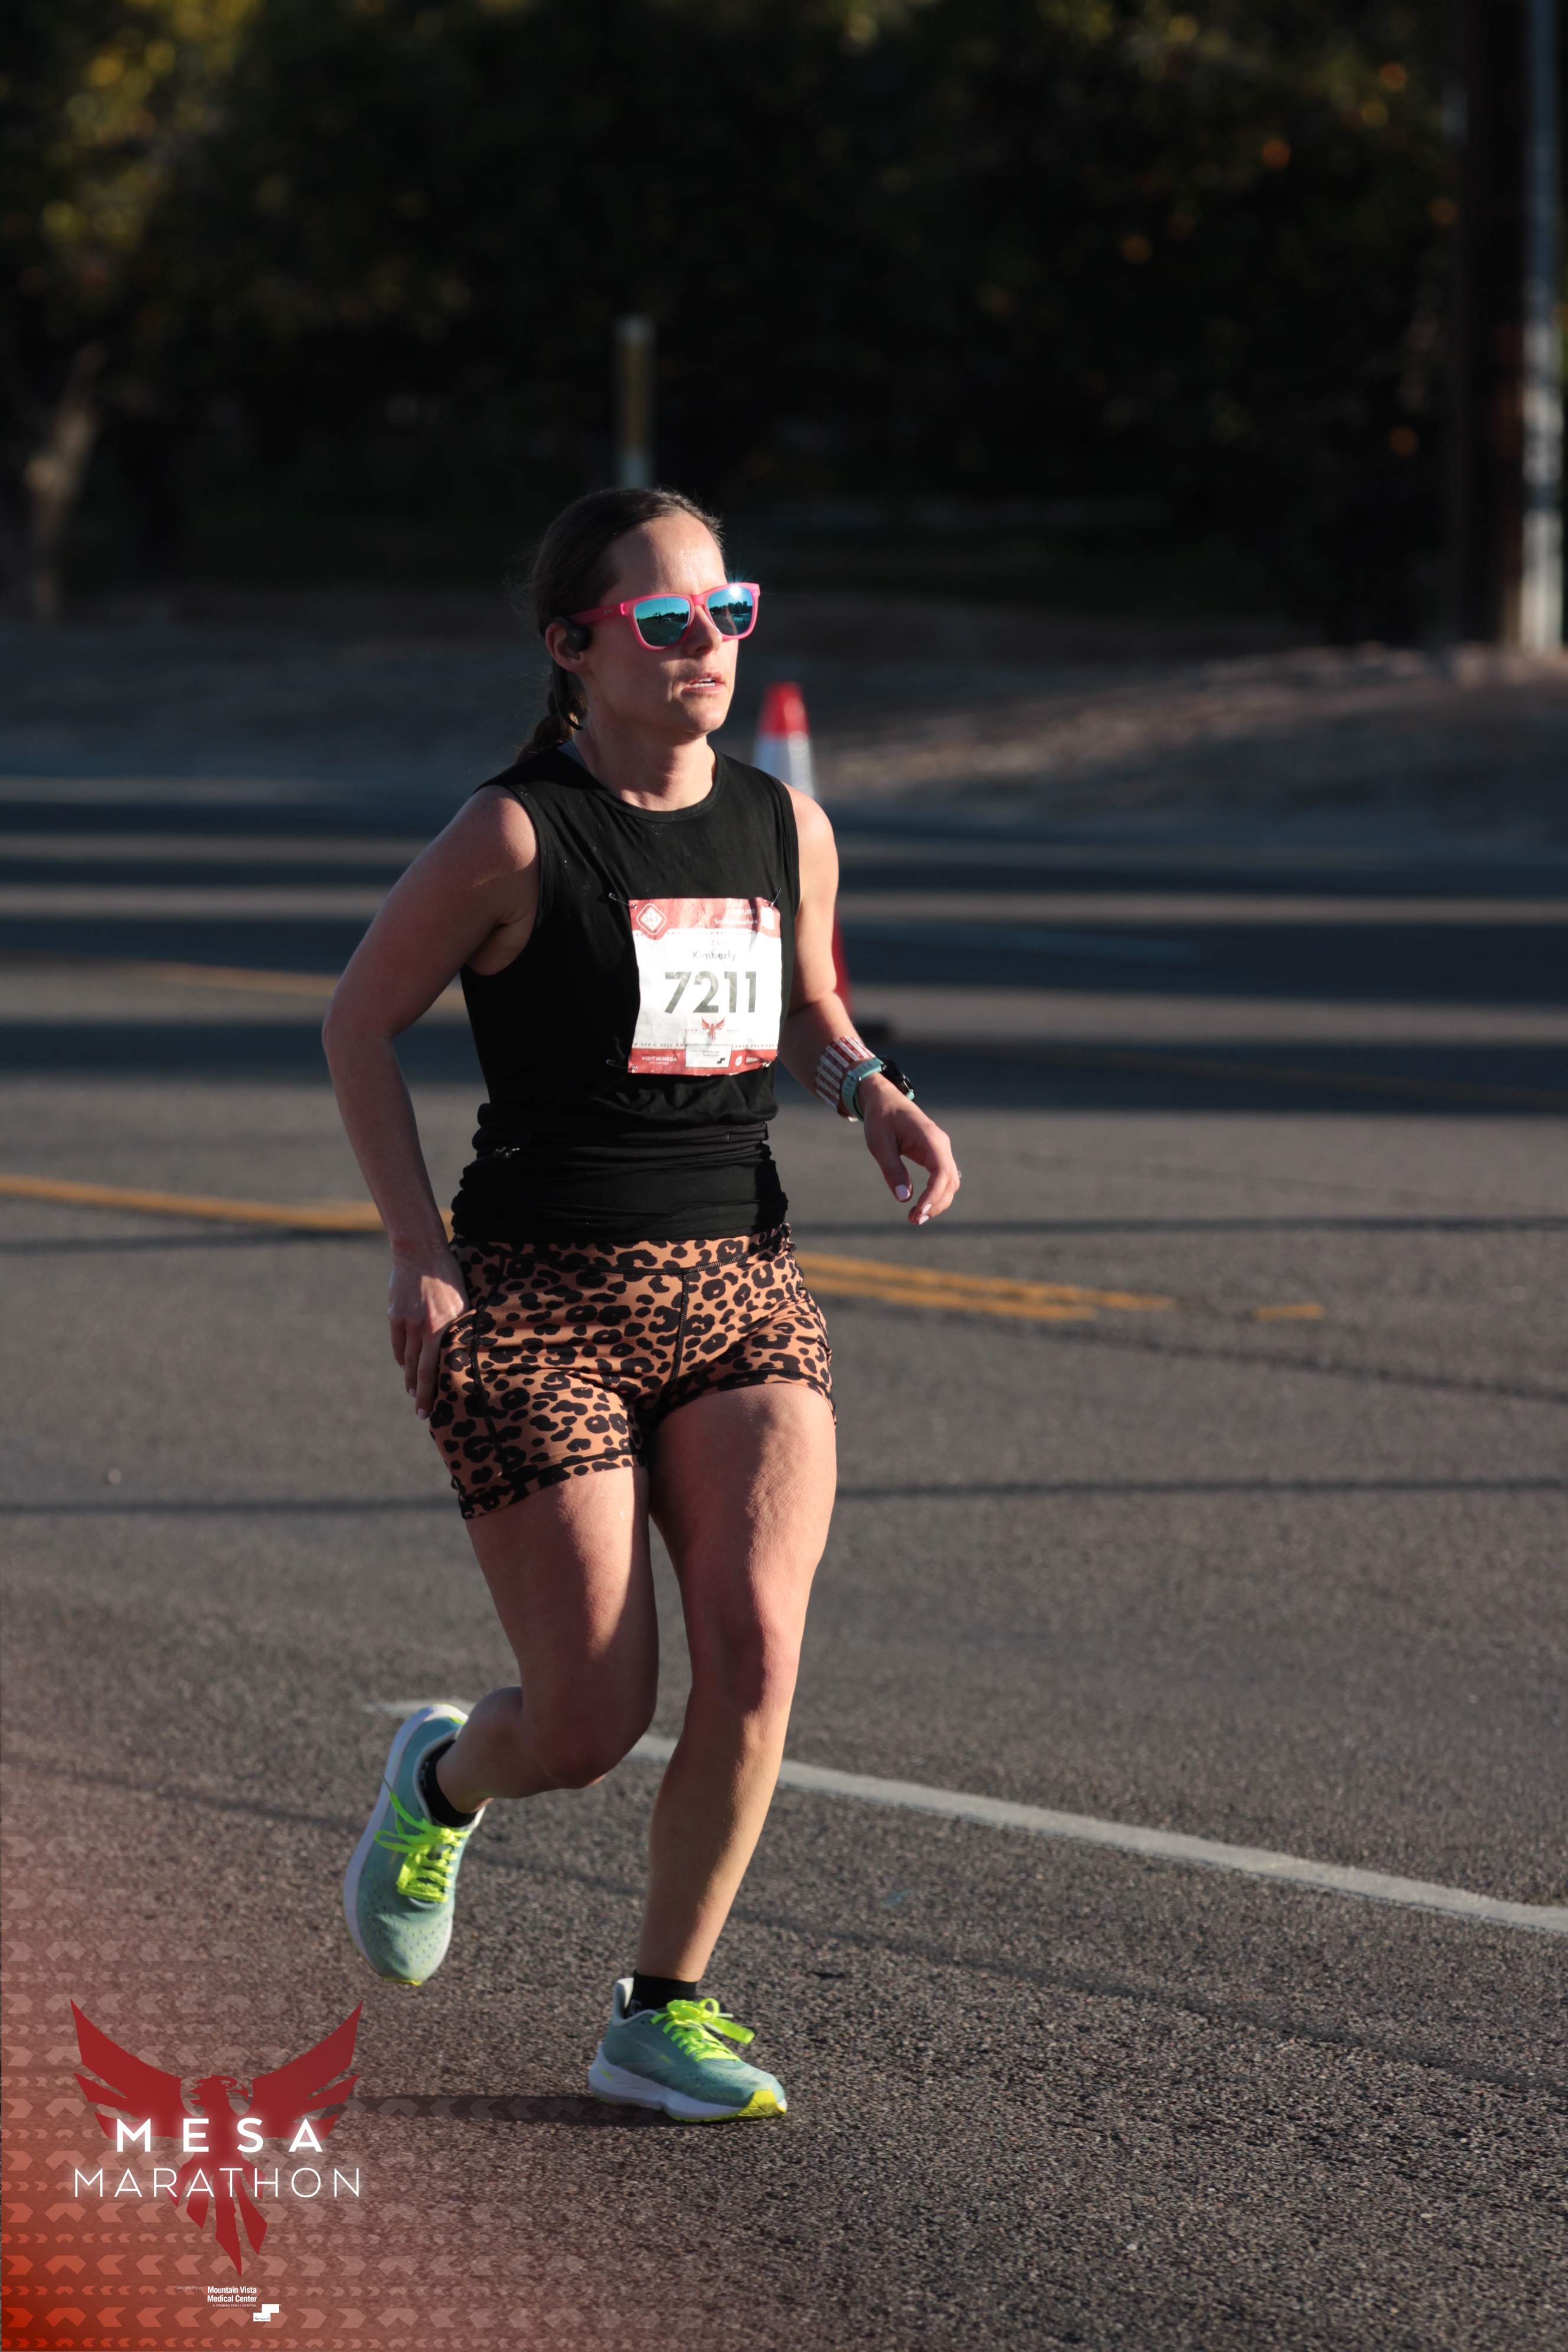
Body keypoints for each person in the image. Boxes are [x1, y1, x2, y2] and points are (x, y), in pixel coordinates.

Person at [323, 485, 959, 2122]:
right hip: (535, 1302)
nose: (707, 647)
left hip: (738, 1281)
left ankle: (659, 2011)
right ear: (574, 645)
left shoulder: (785, 824)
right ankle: (442, 1779)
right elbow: (358, 1020)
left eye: (728, 613)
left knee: (756, 1652)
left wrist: (870, 1089)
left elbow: (806, 1002)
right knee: (593, 1720)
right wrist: (416, 1246)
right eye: (665, 622)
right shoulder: (514, 837)